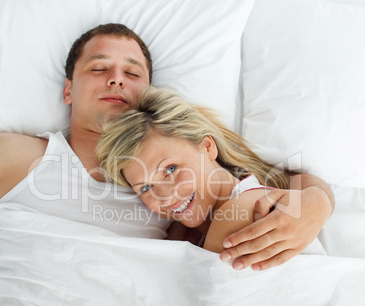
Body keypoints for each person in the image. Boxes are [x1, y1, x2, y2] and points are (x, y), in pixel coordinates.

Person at [0, 23, 333, 282]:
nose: (117, 79)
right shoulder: (11, 154)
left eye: (133, 72)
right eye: (99, 67)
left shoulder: (183, 198)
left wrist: (317, 202)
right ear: (68, 91)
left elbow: (267, 182)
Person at [96, 86, 327, 261]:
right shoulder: (203, 224)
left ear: (207, 147)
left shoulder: (241, 211)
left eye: (171, 169)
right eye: (146, 187)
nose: (166, 195)